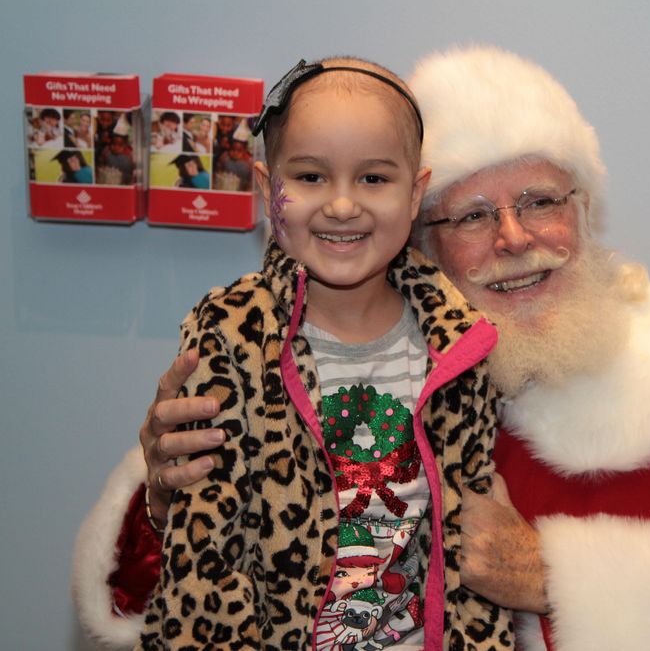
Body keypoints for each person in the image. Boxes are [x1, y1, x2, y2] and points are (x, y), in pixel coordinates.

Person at [73, 46, 650, 651]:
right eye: (470, 214)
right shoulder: (298, 357)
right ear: (419, 241)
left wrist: (556, 579)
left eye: (540, 200)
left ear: (585, 211)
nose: (514, 237)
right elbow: (152, 603)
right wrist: (164, 504)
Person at [88, 55, 503, 651]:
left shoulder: (458, 342)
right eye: (310, 177)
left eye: (374, 179)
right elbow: (207, 551)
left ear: (415, 195)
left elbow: (470, 563)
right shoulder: (232, 334)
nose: (341, 205)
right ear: (267, 189)